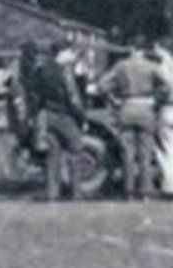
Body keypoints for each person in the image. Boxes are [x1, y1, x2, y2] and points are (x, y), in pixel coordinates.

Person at [98, 35, 169, 200]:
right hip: (146, 108)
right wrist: (156, 99)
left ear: (131, 48)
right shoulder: (152, 66)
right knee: (145, 153)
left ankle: (128, 191)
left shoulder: (121, 66)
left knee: (127, 153)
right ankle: (146, 192)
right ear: (144, 49)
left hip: (127, 107)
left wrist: (114, 99)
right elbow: (166, 86)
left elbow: (102, 85)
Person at [29, 40, 87, 200]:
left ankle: (52, 193)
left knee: (52, 156)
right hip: (64, 116)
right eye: (69, 51)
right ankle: (76, 193)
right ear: (62, 53)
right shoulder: (65, 72)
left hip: (46, 116)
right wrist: (82, 118)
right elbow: (73, 98)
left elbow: (34, 95)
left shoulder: (41, 70)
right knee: (76, 151)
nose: (72, 55)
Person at [153, 40, 173, 198]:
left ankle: (169, 186)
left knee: (165, 148)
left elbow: (164, 89)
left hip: (167, 108)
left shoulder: (163, 66)